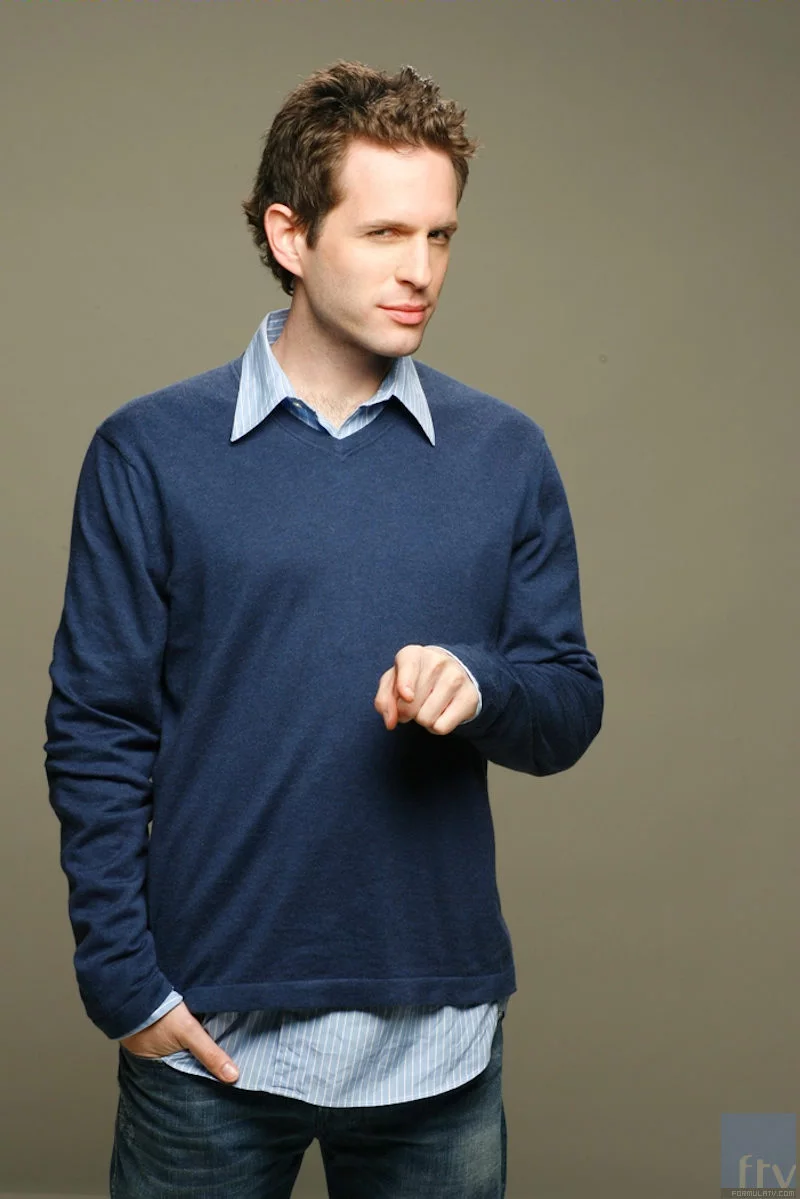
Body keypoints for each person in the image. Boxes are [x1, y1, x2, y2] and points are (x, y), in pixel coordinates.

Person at [44, 59, 603, 1199]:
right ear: (289, 234)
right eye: (385, 231)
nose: (420, 270)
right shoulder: (149, 451)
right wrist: (124, 986)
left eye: (440, 236)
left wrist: (482, 684)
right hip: (205, 1035)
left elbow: (566, 704)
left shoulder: (505, 454)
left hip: (439, 1046)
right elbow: (97, 730)